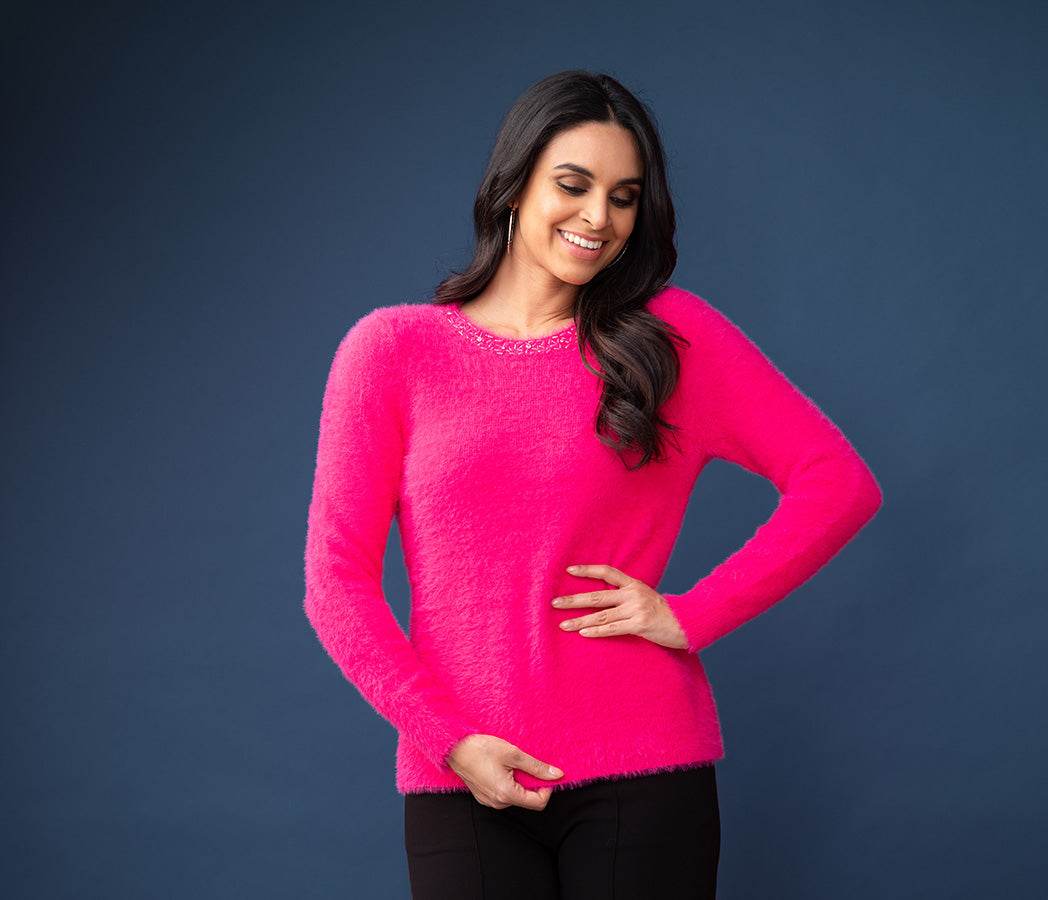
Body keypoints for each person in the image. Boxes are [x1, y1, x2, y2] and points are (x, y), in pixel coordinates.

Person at [302, 69, 884, 899]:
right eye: (573, 185)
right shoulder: (393, 352)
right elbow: (336, 582)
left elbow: (838, 483)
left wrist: (693, 614)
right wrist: (446, 739)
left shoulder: (668, 338)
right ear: (514, 186)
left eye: (624, 197)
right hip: (460, 774)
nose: (598, 218)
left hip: (644, 770)